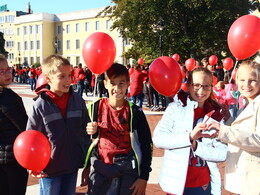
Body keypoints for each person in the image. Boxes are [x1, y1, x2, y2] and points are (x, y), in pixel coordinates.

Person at [153, 67, 227, 195]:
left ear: (212, 87)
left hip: (202, 183)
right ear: (188, 86)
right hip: (176, 183)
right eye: (196, 85)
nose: (201, 90)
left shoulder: (215, 115)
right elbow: (158, 139)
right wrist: (189, 137)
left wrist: (196, 145)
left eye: (206, 86)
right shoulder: (175, 109)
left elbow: (223, 153)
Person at [26, 54, 91, 195]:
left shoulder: (78, 101)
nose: (68, 80)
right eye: (62, 76)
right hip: (49, 168)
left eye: (69, 75)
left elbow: (84, 132)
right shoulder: (40, 105)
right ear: (48, 78)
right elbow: (31, 137)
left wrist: (87, 160)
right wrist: (31, 164)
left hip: (72, 164)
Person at [84, 63, 152, 195]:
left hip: (127, 172)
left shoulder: (135, 112)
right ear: (105, 83)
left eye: (121, 83)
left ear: (128, 83)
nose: (117, 88)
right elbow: (87, 142)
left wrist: (143, 177)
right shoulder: (94, 108)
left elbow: (146, 144)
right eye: (112, 83)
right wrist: (86, 166)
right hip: (101, 170)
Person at [207, 60, 260, 195]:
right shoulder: (247, 103)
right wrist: (228, 119)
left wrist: (223, 130)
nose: (246, 85)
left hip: (254, 178)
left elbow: (257, 141)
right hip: (246, 174)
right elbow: (244, 133)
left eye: (252, 80)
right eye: (242, 80)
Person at [0, 54, 29, 195]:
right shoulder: (7, 98)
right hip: (12, 159)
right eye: (1, 71)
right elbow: (24, 127)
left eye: (8, 69)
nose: (7, 73)